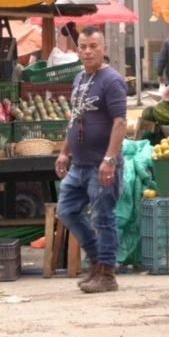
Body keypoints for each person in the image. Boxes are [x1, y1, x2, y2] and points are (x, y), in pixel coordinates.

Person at [55, 26, 127, 294]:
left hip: (101, 165)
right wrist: (64, 151)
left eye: (93, 46)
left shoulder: (112, 80)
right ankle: (97, 261)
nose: (87, 51)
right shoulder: (79, 80)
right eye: (83, 46)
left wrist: (109, 159)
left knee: (103, 218)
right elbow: (75, 118)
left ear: (104, 49)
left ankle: (107, 274)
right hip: (79, 165)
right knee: (67, 210)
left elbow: (120, 122)